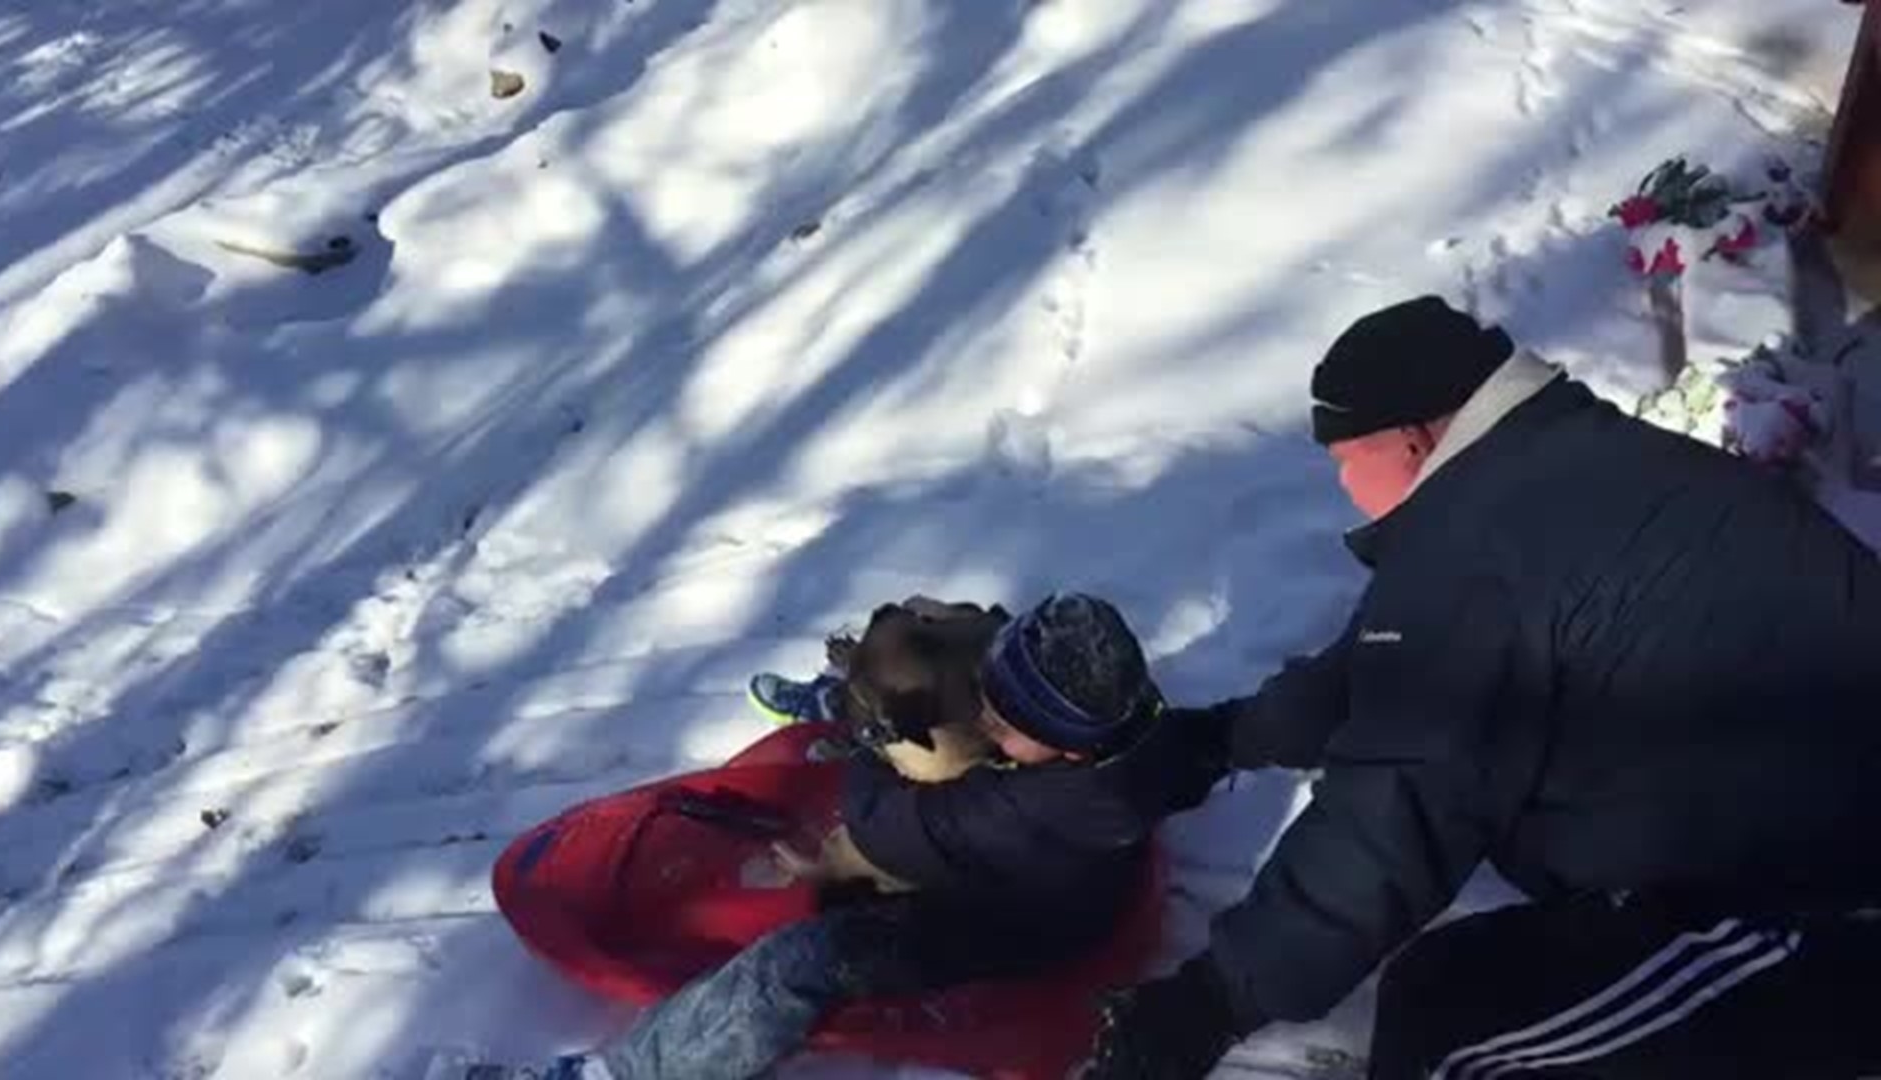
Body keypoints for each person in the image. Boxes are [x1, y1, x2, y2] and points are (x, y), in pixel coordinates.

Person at [1081, 296, 1881, 1079]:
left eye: (1346, 460)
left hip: (1824, 915)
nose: (1346, 486)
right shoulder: (1558, 468)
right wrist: (1219, 739)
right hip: (1804, 830)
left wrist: (1211, 1000)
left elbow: (1394, 812)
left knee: (1447, 1019)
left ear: (1415, 435)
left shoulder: (1479, 545)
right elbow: (1389, 674)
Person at [569, 592, 1219, 1080]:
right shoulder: (1131, 721)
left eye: (1001, 715)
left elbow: (878, 826)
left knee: (804, 961)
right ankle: (851, 701)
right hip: (1058, 864)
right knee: (931, 649)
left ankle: (629, 1073)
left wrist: (868, 747)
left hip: (1014, 924)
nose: (988, 715)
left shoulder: (1003, 812)